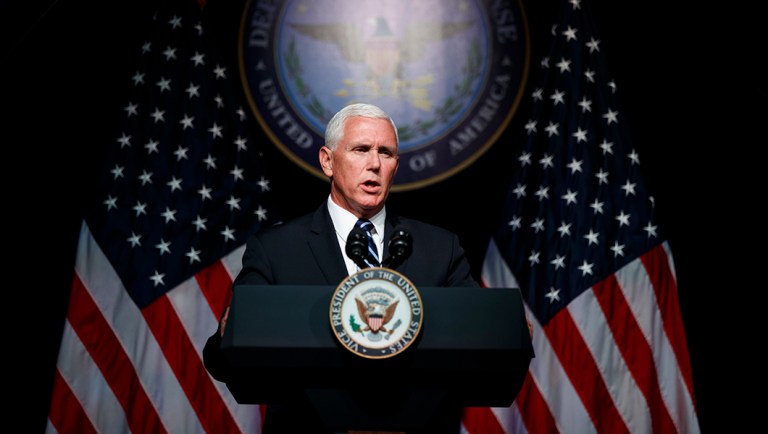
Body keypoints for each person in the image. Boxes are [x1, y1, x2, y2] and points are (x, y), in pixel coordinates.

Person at [203, 102, 479, 433]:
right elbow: (223, 357)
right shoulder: (277, 249)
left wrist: (507, 325)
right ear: (328, 161)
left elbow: (480, 336)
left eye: (386, 153)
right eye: (361, 149)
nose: (374, 164)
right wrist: (229, 329)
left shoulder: (439, 248)